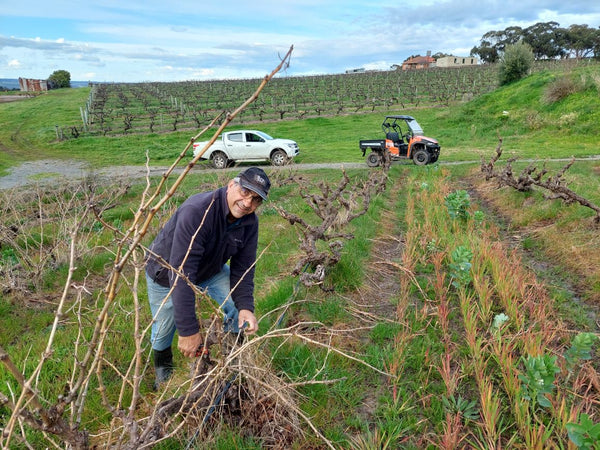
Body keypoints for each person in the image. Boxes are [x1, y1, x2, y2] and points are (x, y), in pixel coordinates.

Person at [145, 166, 270, 389]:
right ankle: (163, 371)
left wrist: (245, 307)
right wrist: (189, 331)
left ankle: (231, 357)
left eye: (255, 199)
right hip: (166, 272)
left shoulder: (250, 223)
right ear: (231, 185)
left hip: (209, 270)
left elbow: (244, 268)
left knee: (235, 306)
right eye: (244, 192)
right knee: (163, 328)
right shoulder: (197, 210)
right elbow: (181, 273)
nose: (248, 203)